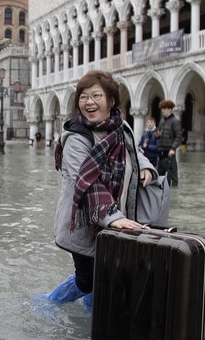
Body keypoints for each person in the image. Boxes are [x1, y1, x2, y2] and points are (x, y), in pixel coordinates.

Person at [46, 70, 157, 307]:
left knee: (105, 276)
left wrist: (146, 168)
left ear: (111, 100)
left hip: (114, 217)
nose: (89, 102)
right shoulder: (77, 136)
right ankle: (48, 304)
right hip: (85, 220)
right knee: (88, 280)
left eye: (97, 95)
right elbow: (85, 182)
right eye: (84, 97)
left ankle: (92, 319)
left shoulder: (120, 127)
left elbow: (134, 153)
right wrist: (113, 217)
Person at [155, 99, 182, 187]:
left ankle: (173, 196)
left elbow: (179, 137)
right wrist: (158, 136)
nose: (163, 110)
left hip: (169, 153)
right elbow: (160, 135)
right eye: (162, 108)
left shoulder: (175, 121)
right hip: (161, 152)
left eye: (165, 108)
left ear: (170, 109)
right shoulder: (162, 121)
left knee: (173, 177)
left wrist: (173, 149)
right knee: (159, 177)